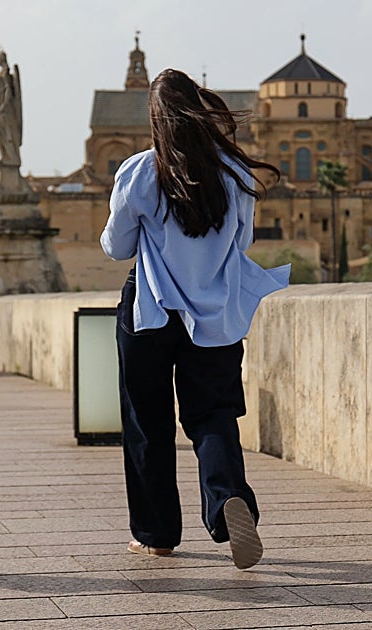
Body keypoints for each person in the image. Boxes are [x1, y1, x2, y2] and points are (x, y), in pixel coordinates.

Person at [100, 68, 290, 570]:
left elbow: (117, 246)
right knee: (213, 414)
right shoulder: (236, 174)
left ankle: (156, 534)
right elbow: (242, 242)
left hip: (151, 311)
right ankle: (229, 501)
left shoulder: (140, 171)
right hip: (216, 314)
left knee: (148, 421)